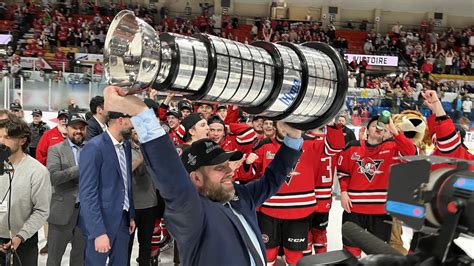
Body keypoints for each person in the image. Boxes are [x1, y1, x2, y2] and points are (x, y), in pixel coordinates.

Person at [102, 85, 303, 266]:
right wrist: (141, 113)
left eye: (226, 164)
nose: (229, 171)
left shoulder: (239, 196)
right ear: (196, 179)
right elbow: (169, 173)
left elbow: (273, 178)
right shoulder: (193, 214)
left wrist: (293, 138)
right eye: (218, 168)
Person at [337, 115, 418, 257]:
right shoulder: (352, 147)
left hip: (381, 211)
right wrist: (344, 192)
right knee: (350, 250)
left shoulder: (393, 147)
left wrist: (394, 130)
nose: (378, 128)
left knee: (378, 254)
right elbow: (343, 173)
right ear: (366, 130)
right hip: (354, 208)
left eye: (382, 126)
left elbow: (412, 153)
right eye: (374, 125)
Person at [78, 111, 136, 265]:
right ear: (121, 120)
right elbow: (87, 194)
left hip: (123, 221)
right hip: (101, 223)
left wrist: (130, 214)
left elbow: (126, 181)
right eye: (132, 120)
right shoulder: (94, 147)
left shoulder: (126, 145)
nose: (134, 126)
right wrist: (98, 232)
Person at [0, 116, 51, 265]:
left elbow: (41, 210)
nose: (1, 142)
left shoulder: (38, 172)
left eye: (7, 137)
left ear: (22, 140)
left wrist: (21, 236)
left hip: (23, 242)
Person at [46, 114, 86, 266]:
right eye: (74, 128)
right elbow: (53, 177)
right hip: (61, 211)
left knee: (79, 258)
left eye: (81, 128)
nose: (78, 131)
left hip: (85, 213)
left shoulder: (92, 148)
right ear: (67, 129)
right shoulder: (56, 150)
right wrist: (81, 169)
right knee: (54, 259)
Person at [128, 128, 161, 266]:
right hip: (131, 205)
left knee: (146, 244)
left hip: (150, 203)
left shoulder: (153, 149)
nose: (138, 131)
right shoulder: (124, 148)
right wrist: (142, 156)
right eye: (134, 128)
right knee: (126, 245)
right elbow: (125, 170)